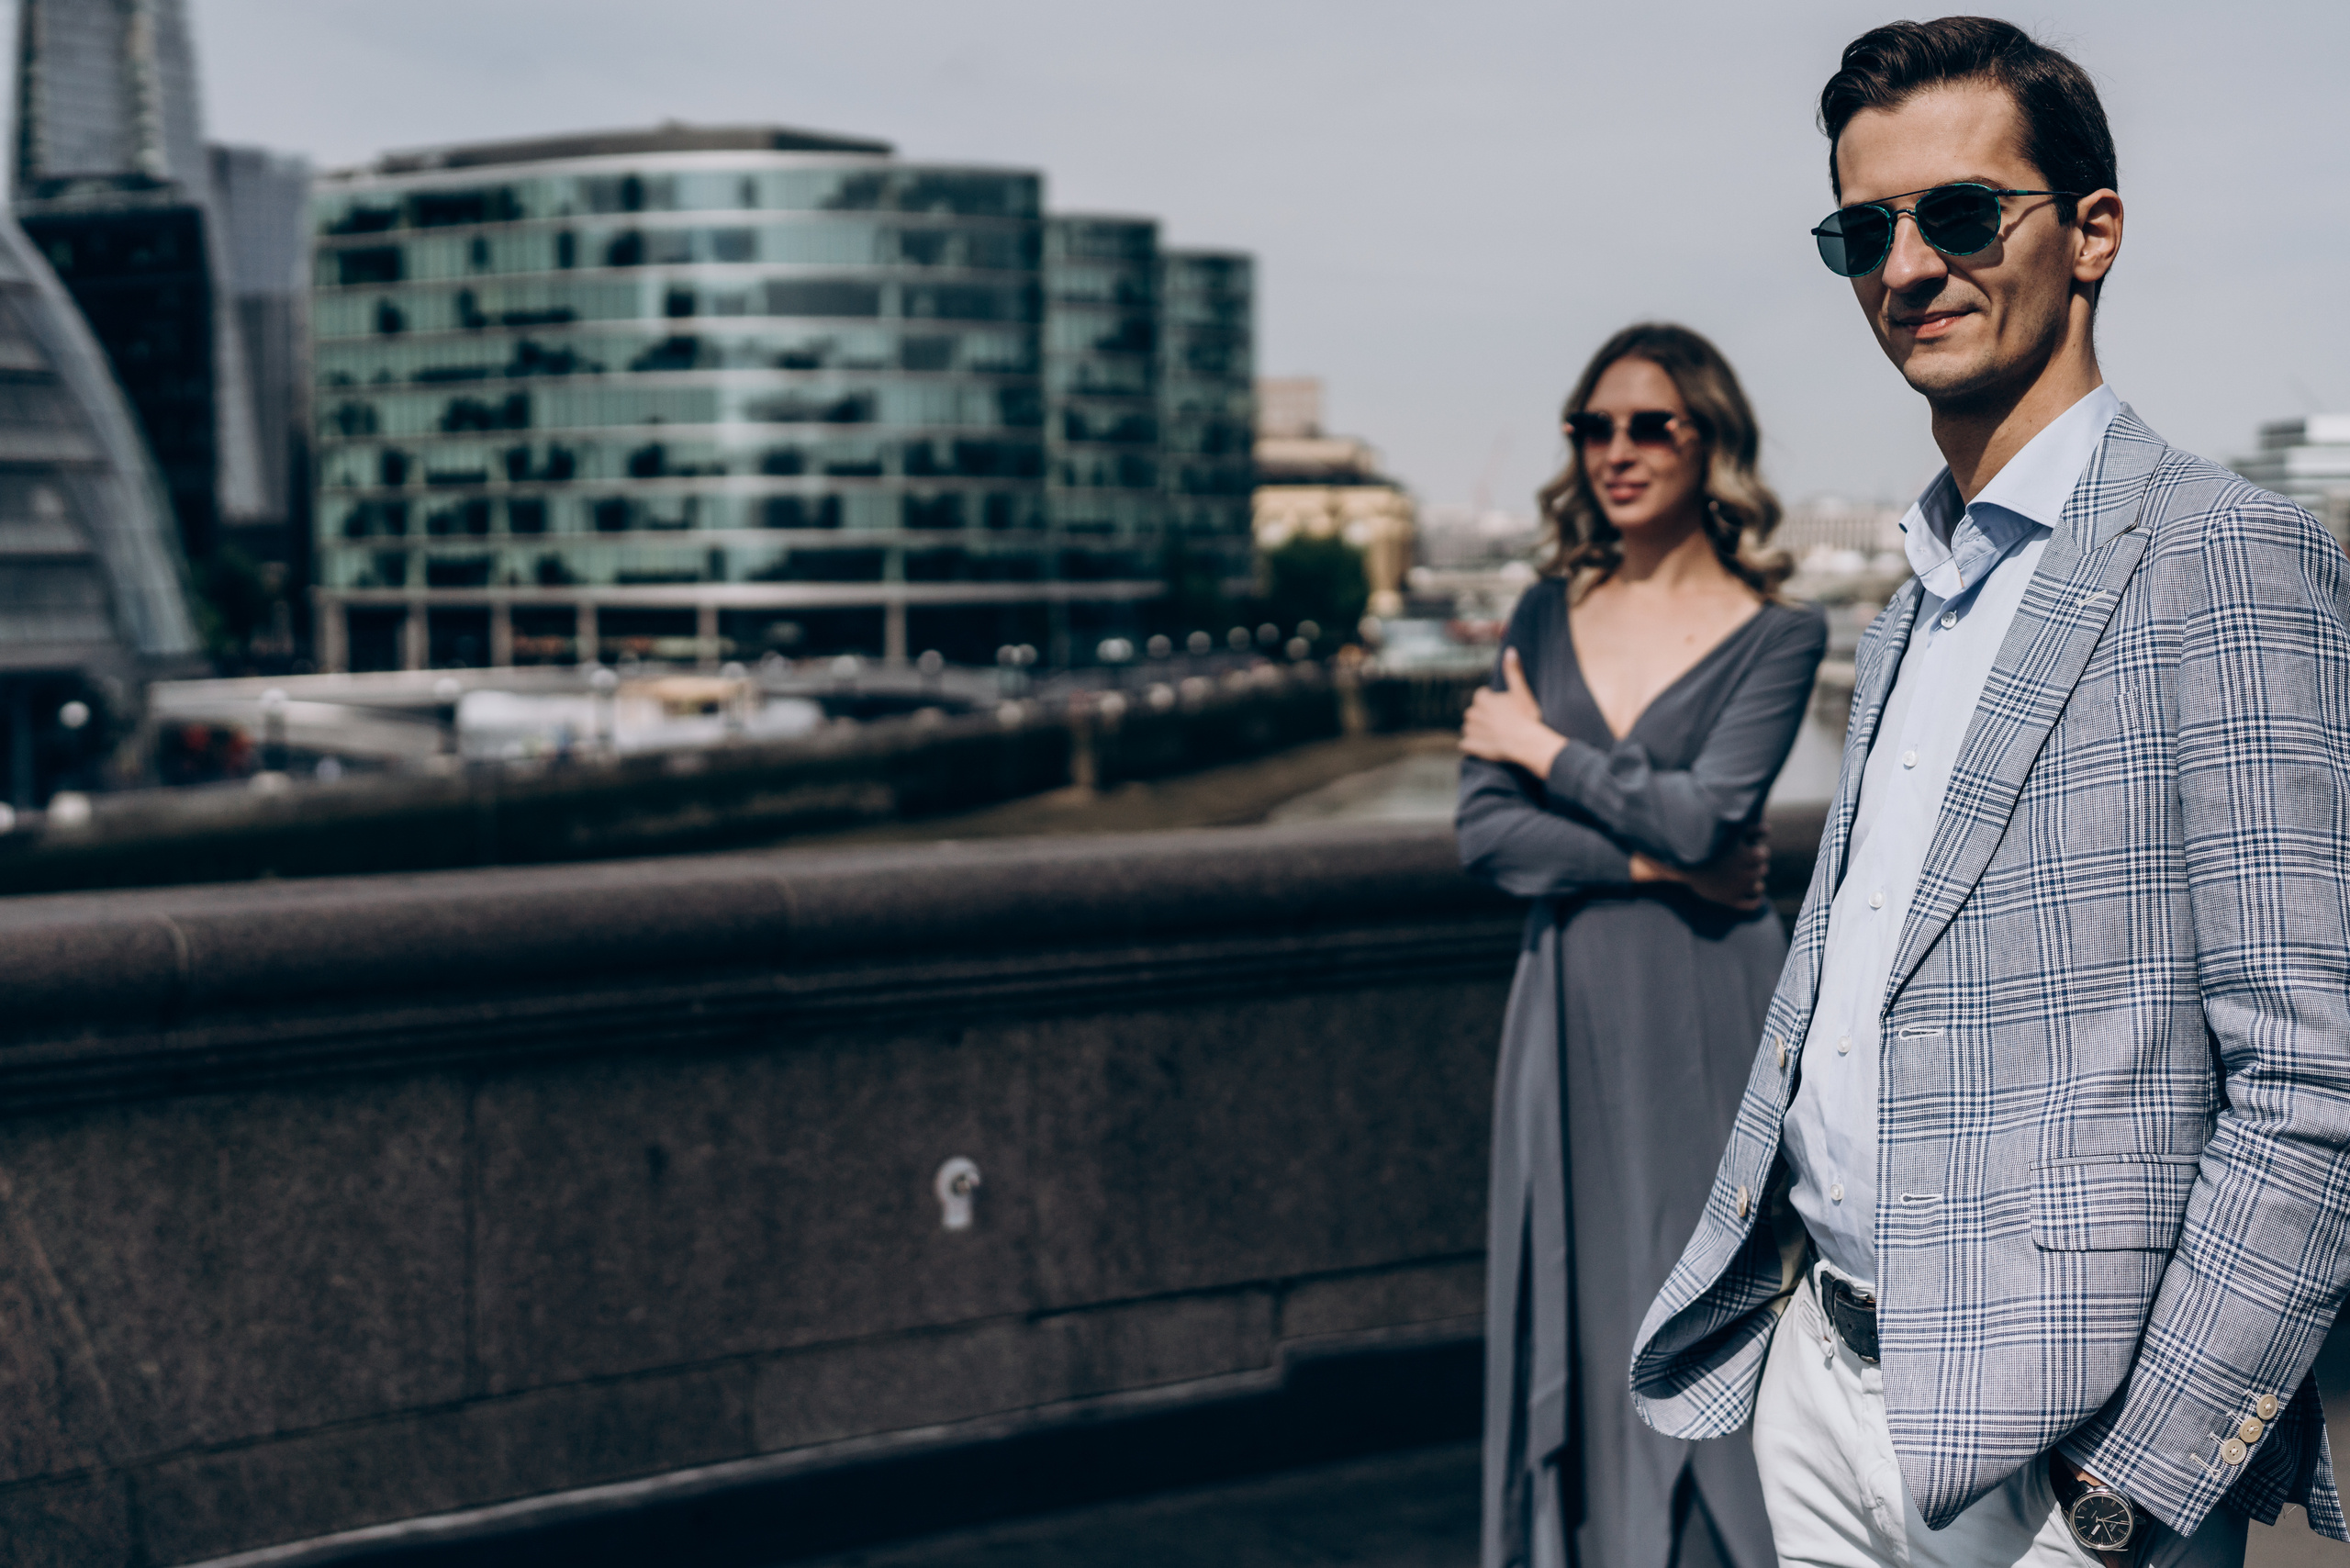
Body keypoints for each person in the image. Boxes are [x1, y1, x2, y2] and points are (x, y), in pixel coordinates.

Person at [1631, 17, 2350, 1568]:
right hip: (1820, 1385)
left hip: (2059, 1451)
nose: (1908, 267)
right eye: (1864, 230)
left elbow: (2315, 1088)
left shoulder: (2226, 560)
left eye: (1962, 213)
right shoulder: (1913, 600)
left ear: (2092, 233)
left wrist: (2126, 1494)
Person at [1458, 321, 1828, 1568]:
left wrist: (1544, 749)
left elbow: (1710, 811)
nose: (1616, 451)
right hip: (1564, 1002)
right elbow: (1487, 838)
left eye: (1649, 425)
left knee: (1714, 1291)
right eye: (1593, 427)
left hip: (1715, 1002)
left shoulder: (1781, 635)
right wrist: (1652, 861)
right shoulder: (1539, 613)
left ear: (1709, 440)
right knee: (1583, 1289)